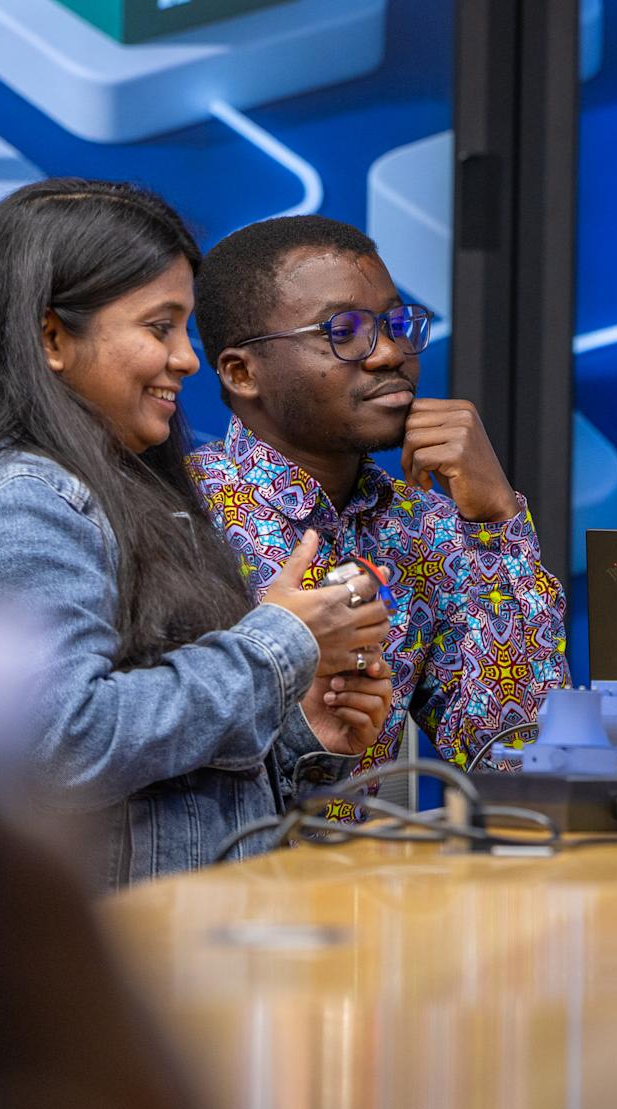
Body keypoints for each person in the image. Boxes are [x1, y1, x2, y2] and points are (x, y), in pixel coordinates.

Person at [0, 179, 388, 888]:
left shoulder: (114, 493)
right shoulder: (17, 503)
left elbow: (158, 791)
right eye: (160, 327)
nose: (187, 358)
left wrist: (307, 732)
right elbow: (57, 747)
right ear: (53, 338)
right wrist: (277, 644)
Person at [187, 215, 567, 810]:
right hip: (205, 892)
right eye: (345, 331)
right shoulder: (177, 517)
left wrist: (495, 522)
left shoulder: (425, 528)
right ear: (241, 372)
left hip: (359, 894)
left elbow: (519, 752)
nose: (390, 353)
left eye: (395, 324)